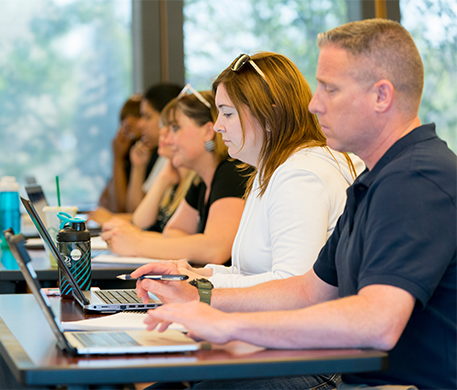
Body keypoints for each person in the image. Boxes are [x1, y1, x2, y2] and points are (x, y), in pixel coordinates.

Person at [133, 19, 456, 389]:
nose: (313, 104)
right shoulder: (376, 178)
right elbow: (308, 290)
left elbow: (379, 322)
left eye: (329, 89)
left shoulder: (416, 180)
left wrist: (229, 321)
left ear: (381, 96)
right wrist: (199, 292)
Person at [175, 52, 364, 288]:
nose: (217, 126)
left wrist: (203, 285)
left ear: (270, 116)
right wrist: (193, 274)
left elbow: (292, 286)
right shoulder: (274, 168)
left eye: (228, 113)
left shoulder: (300, 175)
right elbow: (251, 273)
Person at [102, 86, 254, 265]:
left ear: (207, 131)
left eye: (175, 128)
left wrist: (138, 243)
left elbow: (215, 249)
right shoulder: (202, 180)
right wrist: (197, 245)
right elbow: (173, 232)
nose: (168, 139)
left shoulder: (231, 172)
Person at [127, 83, 183, 213]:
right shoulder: (163, 156)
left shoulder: (176, 156)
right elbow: (139, 212)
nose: (140, 124)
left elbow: (141, 217)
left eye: (147, 116)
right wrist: (138, 167)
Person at [96, 95, 142, 214]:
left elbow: (121, 208)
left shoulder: (144, 158)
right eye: (124, 117)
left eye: (136, 116)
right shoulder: (127, 153)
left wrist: (117, 159)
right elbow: (103, 202)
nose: (127, 122)